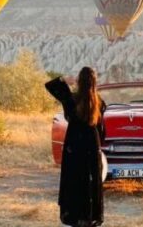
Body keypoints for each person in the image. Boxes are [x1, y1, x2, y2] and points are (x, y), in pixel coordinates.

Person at [45, 67, 106, 227]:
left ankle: (75, 216)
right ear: (94, 82)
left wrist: (66, 79)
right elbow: (101, 129)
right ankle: (89, 216)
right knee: (90, 180)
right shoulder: (99, 101)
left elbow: (50, 85)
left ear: (79, 81)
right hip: (91, 144)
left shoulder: (71, 98)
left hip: (74, 144)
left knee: (74, 179)